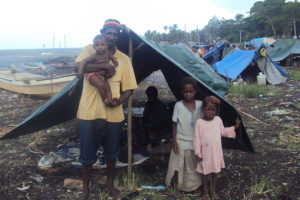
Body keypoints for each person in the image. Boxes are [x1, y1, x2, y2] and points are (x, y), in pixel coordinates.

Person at [75, 19, 137, 200]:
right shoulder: (89, 49)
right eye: (108, 33)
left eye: (115, 34)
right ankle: (85, 189)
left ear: (118, 37)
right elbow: (75, 67)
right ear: (102, 34)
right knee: (86, 155)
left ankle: (109, 184)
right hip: (89, 111)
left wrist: (119, 102)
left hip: (114, 114)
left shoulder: (124, 59)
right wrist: (105, 67)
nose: (111, 37)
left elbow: (129, 89)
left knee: (111, 153)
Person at [194, 97, 240, 200]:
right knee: (205, 173)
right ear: (203, 110)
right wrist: (198, 153)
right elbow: (196, 139)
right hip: (204, 153)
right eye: (208, 109)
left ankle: (213, 191)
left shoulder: (218, 120)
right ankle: (205, 193)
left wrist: (235, 127)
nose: (210, 112)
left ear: (216, 111)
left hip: (215, 152)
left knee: (215, 172)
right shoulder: (199, 123)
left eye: (213, 110)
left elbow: (223, 131)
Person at [165, 77, 204, 197]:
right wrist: (174, 142)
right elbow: (174, 124)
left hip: (196, 142)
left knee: (194, 166)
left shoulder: (200, 105)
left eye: (190, 91)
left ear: (195, 91)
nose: (188, 94)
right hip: (181, 141)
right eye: (185, 92)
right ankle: (179, 188)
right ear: (182, 92)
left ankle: (196, 187)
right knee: (179, 167)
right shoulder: (178, 106)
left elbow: (207, 119)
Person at [76, 34, 118, 105]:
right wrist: (80, 70)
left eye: (102, 44)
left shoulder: (107, 53)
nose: (100, 47)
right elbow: (84, 61)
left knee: (107, 87)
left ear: (107, 45)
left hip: (103, 76)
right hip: (93, 75)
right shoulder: (94, 56)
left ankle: (110, 99)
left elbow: (112, 57)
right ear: (94, 47)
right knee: (101, 85)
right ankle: (105, 99)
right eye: (97, 45)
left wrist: (115, 61)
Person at [142, 86, 171, 151]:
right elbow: (145, 116)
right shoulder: (148, 104)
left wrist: (155, 129)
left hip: (159, 130)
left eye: (152, 94)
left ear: (156, 94)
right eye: (148, 95)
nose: (150, 96)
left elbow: (167, 122)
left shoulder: (161, 106)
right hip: (149, 128)